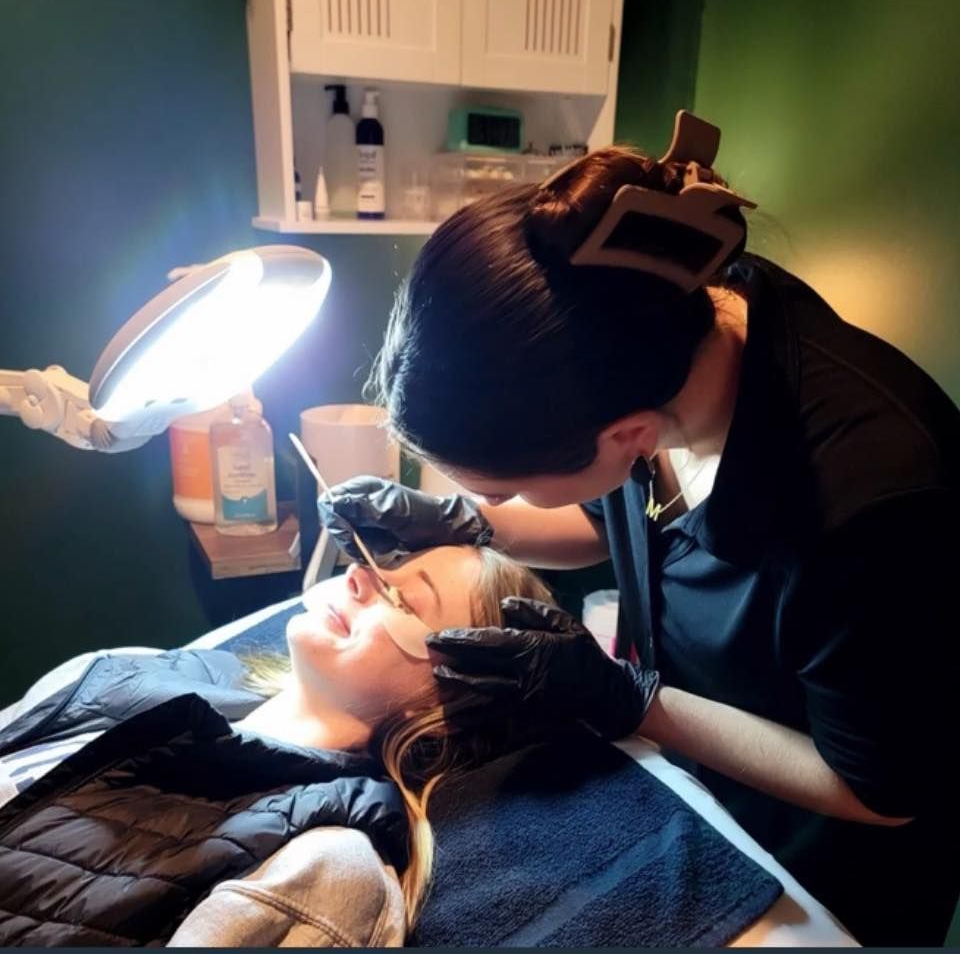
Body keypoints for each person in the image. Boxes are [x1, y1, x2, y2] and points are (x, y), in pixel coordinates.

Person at [318, 112, 960, 946]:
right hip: (703, 806)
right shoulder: (651, 321)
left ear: (625, 436)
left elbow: (880, 788)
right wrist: (468, 520)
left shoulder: (868, 503)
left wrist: (633, 701)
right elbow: (607, 516)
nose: (506, 499)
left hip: (832, 872)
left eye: (510, 483)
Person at [0, 545, 553, 946]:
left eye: (404, 601)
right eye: (382, 563)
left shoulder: (323, 866)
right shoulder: (131, 669)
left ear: (446, 706)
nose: (360, 574)